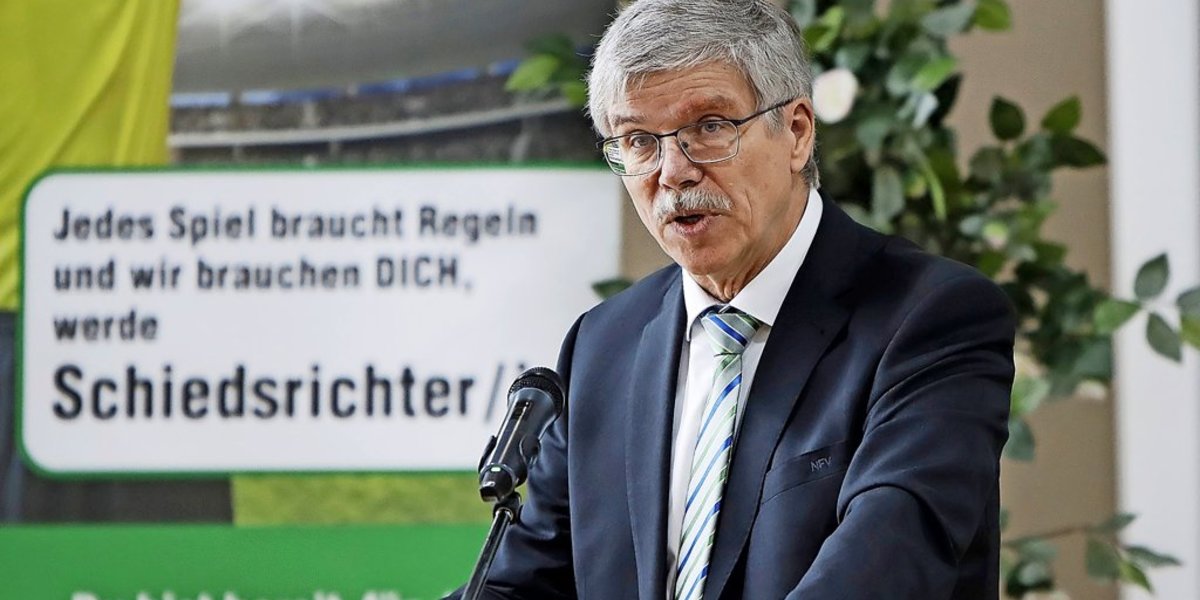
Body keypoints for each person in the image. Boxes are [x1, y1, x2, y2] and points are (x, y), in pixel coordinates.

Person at [450, 1, 1015, 598]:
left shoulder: (931, 317)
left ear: (797, 132)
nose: (673, 171)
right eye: (639, 140)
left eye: (710, 127)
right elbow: (521, 586)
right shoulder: (602, 347)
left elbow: (886, 564)